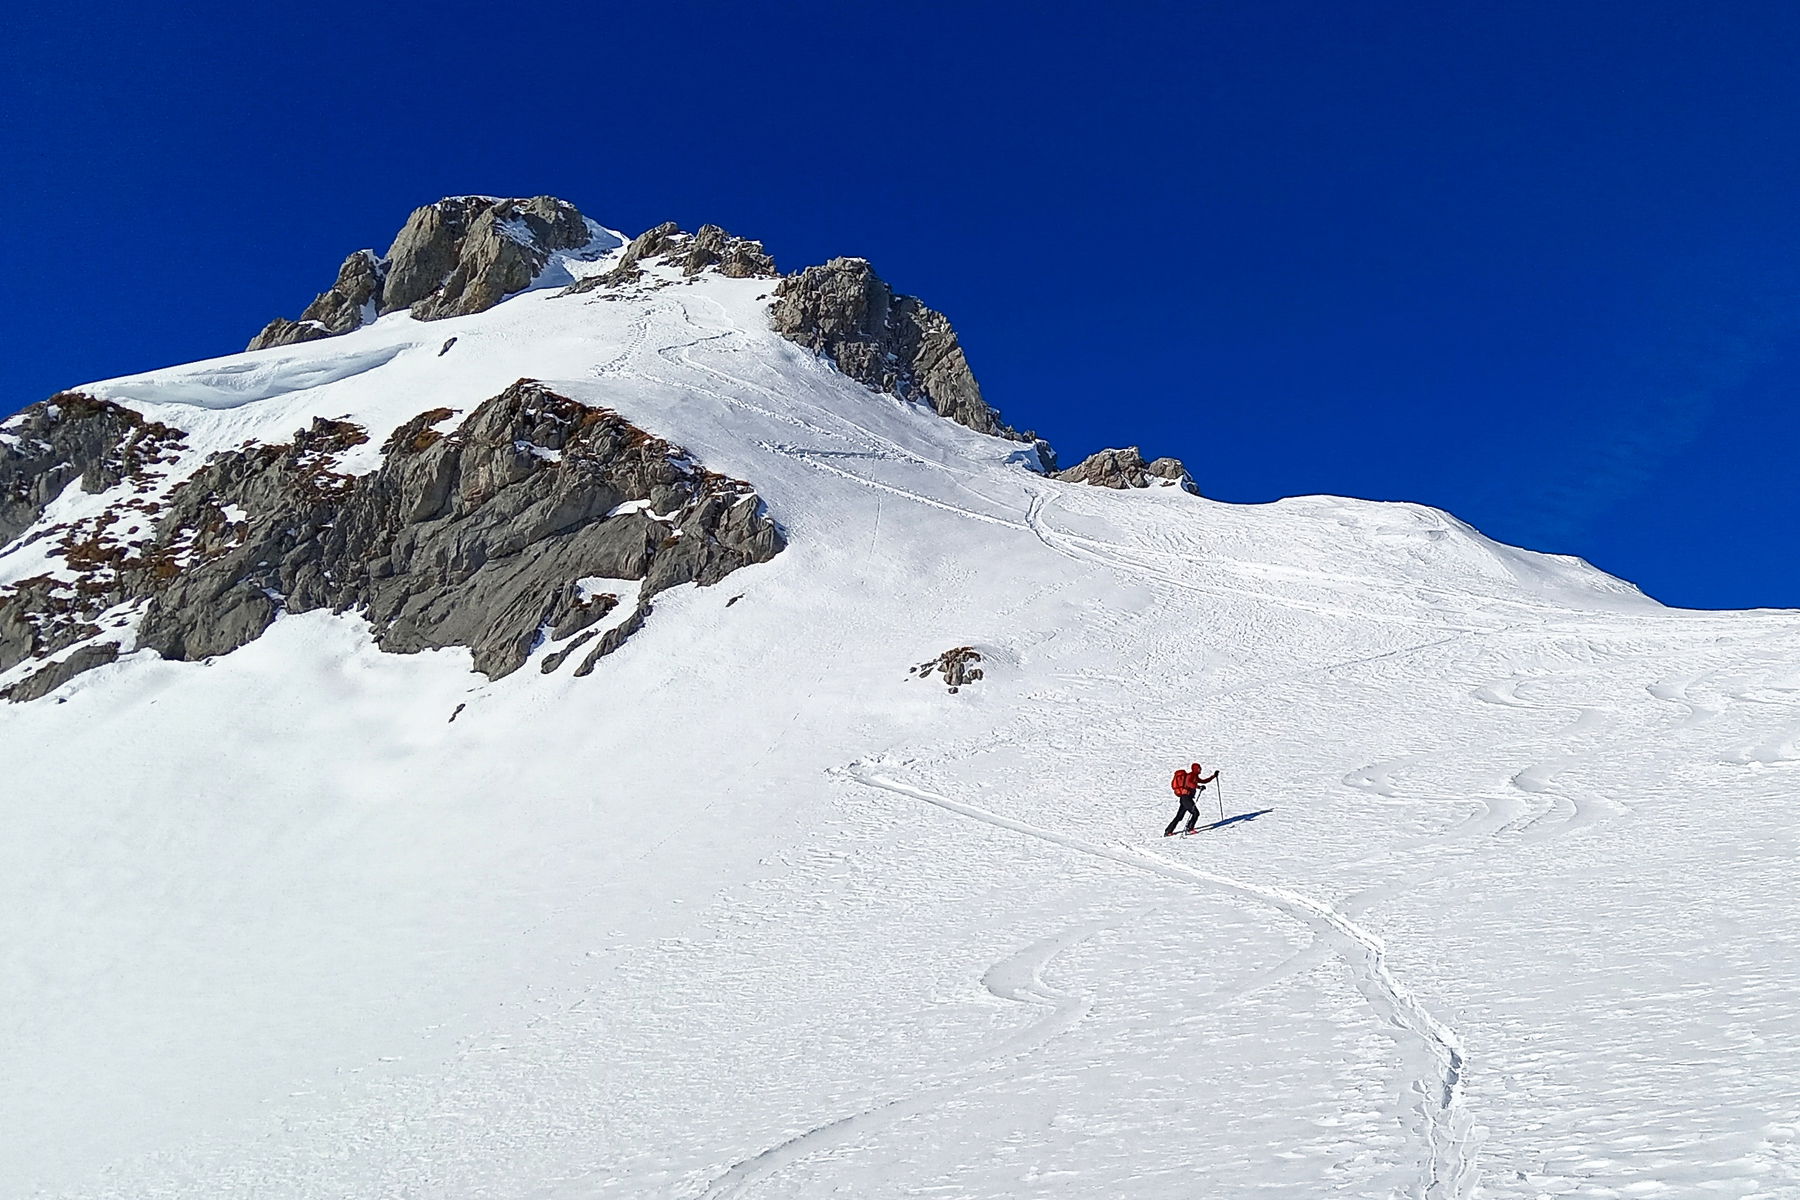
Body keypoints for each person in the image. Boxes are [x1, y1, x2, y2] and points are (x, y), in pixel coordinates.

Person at [1165, 761, 1219, 837]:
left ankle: (1168, 831)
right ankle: (1190, 828)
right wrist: (1198, 787)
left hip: (1185, 798)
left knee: (1179, 816)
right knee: (1195, 813)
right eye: (1199, 768)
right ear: (1195, 769)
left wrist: (1213, 776)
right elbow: (1189, 783)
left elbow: (1204, 781)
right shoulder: (1191, 775)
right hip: (1186, 798)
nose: (1200, 770)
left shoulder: (1195, 776)